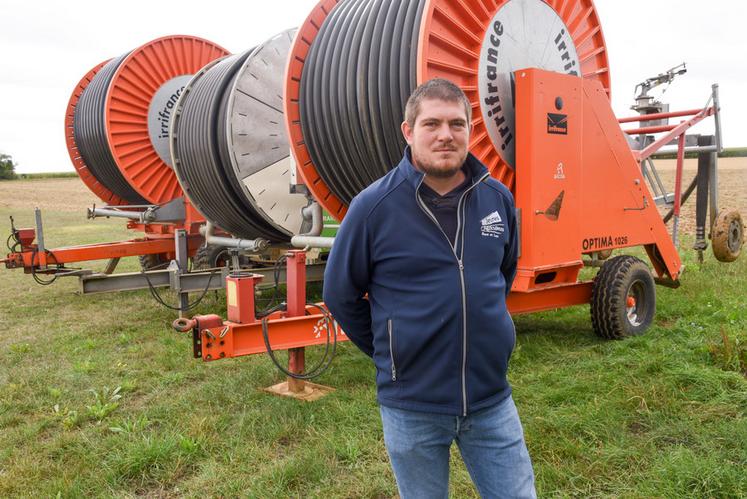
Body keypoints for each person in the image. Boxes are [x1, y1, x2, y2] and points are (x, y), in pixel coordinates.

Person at [323, 78, 535, 498]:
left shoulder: (497, 199)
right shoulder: (373, 208)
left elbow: (502, 275)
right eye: (432, 124)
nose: (445, 135)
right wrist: (394, 353)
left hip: (491, 400)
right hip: (412, 408)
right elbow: (340, 295)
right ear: (408, 131)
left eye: (457, 124)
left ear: (470, 131)